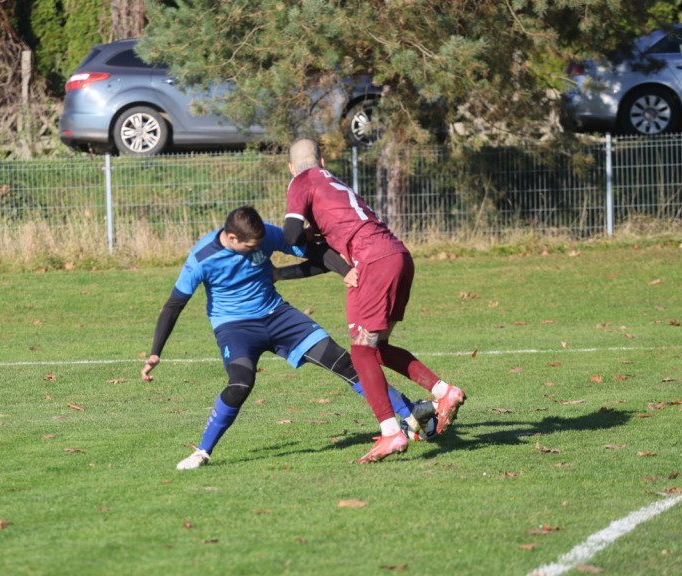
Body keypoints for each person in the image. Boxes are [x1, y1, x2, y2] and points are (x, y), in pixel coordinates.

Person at [141, 205, 435, 470]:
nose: (259, 248)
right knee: (241, 384)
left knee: (344, 362)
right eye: (251, 247)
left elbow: (315, 253)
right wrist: (156, 352)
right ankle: (202, 452)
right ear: (231, 239)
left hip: (279, 316)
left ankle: (410, 412)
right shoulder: (202, 257)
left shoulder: (266, 234)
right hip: (234, 327)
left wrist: (345, 270)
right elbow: (174, 304)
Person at [284, 137, 465, 464]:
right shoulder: (334, 184)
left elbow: (292, 235)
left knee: (360, 350)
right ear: (323, 162)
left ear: (292, 167)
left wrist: (303, 235)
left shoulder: (301, 181)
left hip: (373, 263)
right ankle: (443, 392)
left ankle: (391, 432)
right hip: (398, 255)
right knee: (377, 348)